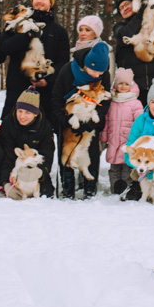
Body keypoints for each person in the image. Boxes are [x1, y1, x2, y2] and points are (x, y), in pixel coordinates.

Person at [0, 0, 70, 165]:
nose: (39, 1)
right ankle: (7, 174)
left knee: (42, 133)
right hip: (18, 86)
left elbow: (63, 62)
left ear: (50, 3)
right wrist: (27, 34)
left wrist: (48, 81)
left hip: (45, 91)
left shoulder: (59, 31)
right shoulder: (17, 24)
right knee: (10, 131)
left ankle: (41, 175)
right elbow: (4, 48)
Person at [51, 40, 111, 198]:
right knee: (68, 150)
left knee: (90, 150)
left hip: (91, 116)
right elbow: (56, 98)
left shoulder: (103, 73)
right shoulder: (68, 70)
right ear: (87, 64)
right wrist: (64, 119)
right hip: (69, 116)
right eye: (95, 71)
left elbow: (104, 100)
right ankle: (67, 186)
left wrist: (94, 120)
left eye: (101, 73)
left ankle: (90, 187)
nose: (98, 76)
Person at [112, 0, 154, 104]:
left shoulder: (152, 21)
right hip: (132, 87)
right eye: (121, 8)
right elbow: (127, 34)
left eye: (127, 4)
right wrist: (142, 11)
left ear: (135, 2)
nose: (124, 8)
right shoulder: (119, 27)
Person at [0, 88, 55, 194]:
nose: (22, 116)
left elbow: (47, 154)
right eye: (20, 111)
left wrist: (40, 172)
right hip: (13, 168)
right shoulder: (8, 122)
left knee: (47, 193)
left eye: (27, 112)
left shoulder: (44, 127)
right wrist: (5, 181)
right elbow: (6, 153)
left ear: (35, 114)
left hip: (34, 168)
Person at [101, 68, 144, 195]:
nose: (123, 87)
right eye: (120, 83)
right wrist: (104, 138)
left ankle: (126, 190)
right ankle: (115, 189)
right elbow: (106, 122)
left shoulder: (135, 103)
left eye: (126, 84)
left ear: (131, 85)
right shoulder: (111, 101)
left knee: (127, 168)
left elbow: (139, 124)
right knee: (114, 168)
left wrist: (137, 140)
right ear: (115, 85)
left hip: (128, 143)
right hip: (114, 141)